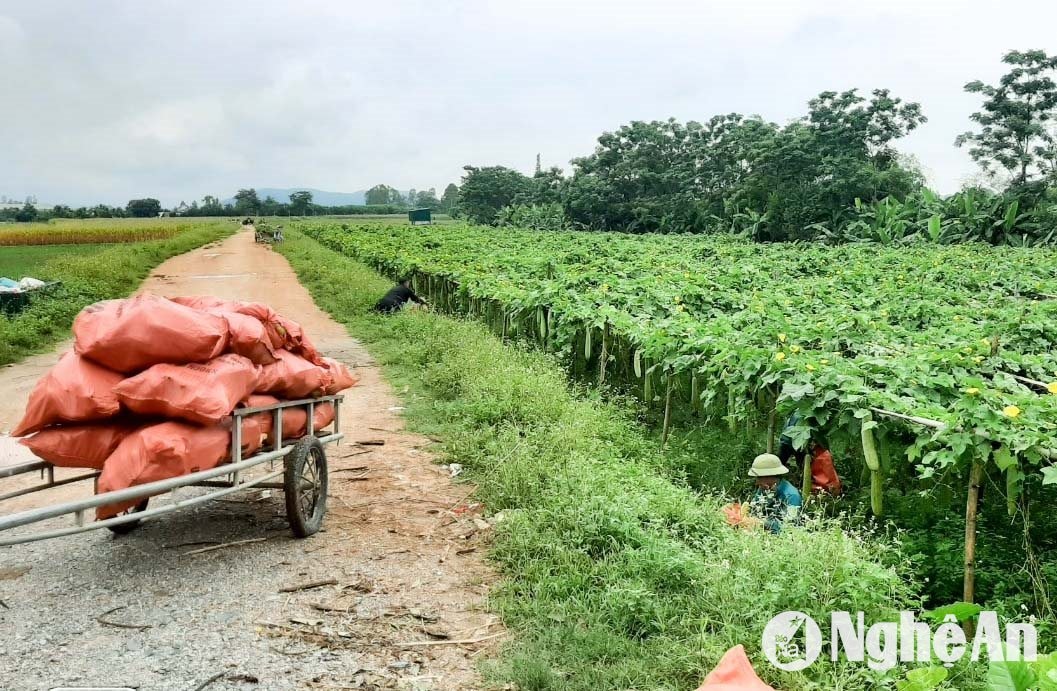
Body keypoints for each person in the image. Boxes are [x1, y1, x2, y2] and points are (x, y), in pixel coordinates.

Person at [747, 453, 802, 534]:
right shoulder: (764, 488)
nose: (757, 482)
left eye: (759, 478)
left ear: (770, 477)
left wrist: (762, 523)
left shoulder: (792, 496)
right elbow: (754, 509)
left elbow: (789, 526)